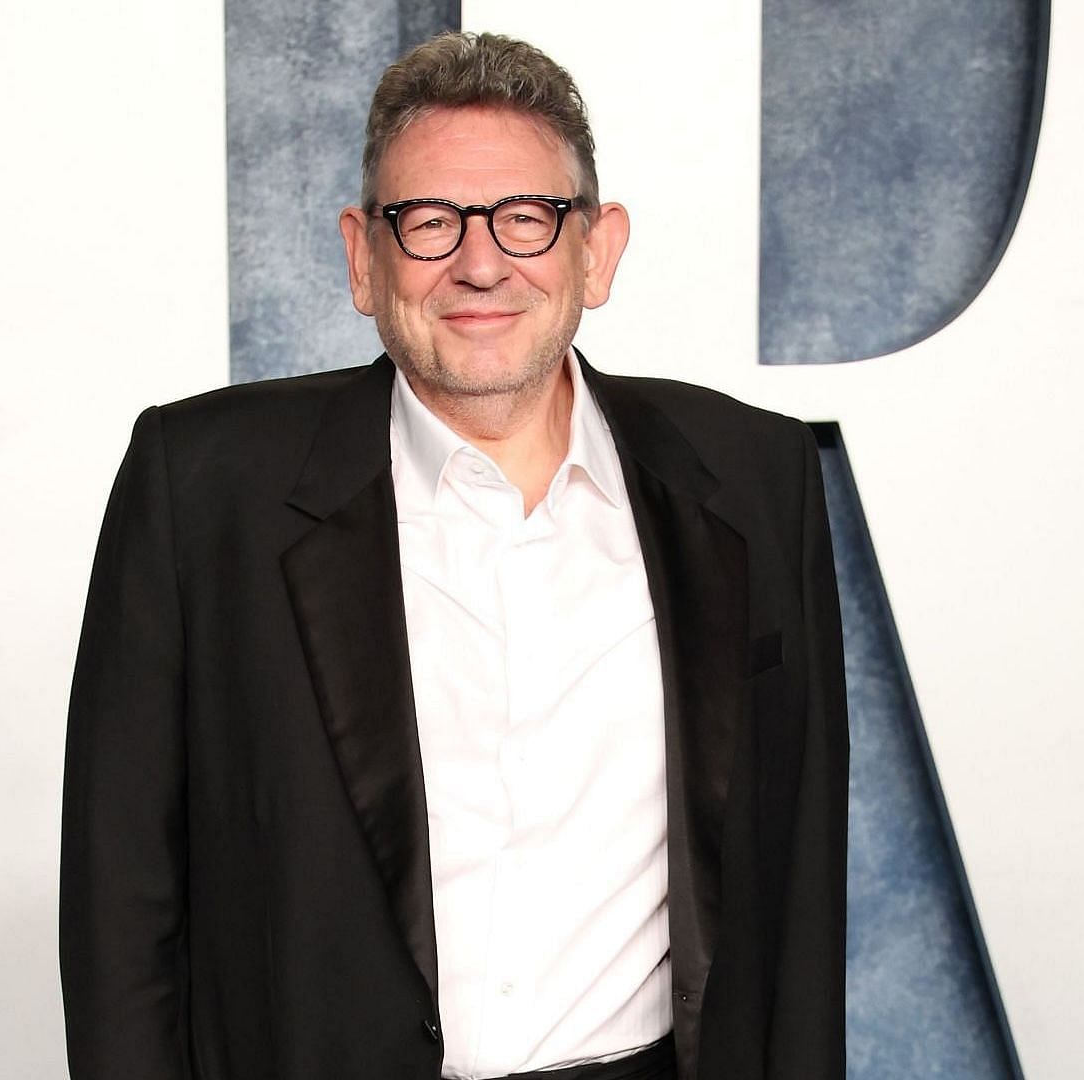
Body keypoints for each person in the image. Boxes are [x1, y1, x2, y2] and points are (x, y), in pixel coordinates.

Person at [60, 31, 846, 1080]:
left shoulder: (754, 475)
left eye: (528, 217)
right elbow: (121, 905)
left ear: (597, 249)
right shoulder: (200, 488)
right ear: (362, 256)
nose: (481, 263)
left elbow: (798, 887)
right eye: (429, 222)